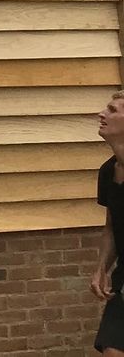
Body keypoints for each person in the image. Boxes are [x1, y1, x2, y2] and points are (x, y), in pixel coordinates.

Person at [94, 91, 124, 354]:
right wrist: (102, 268)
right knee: (112, 349)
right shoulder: (107, 171)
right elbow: (112, 226)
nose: (102, 114)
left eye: (112, 110)